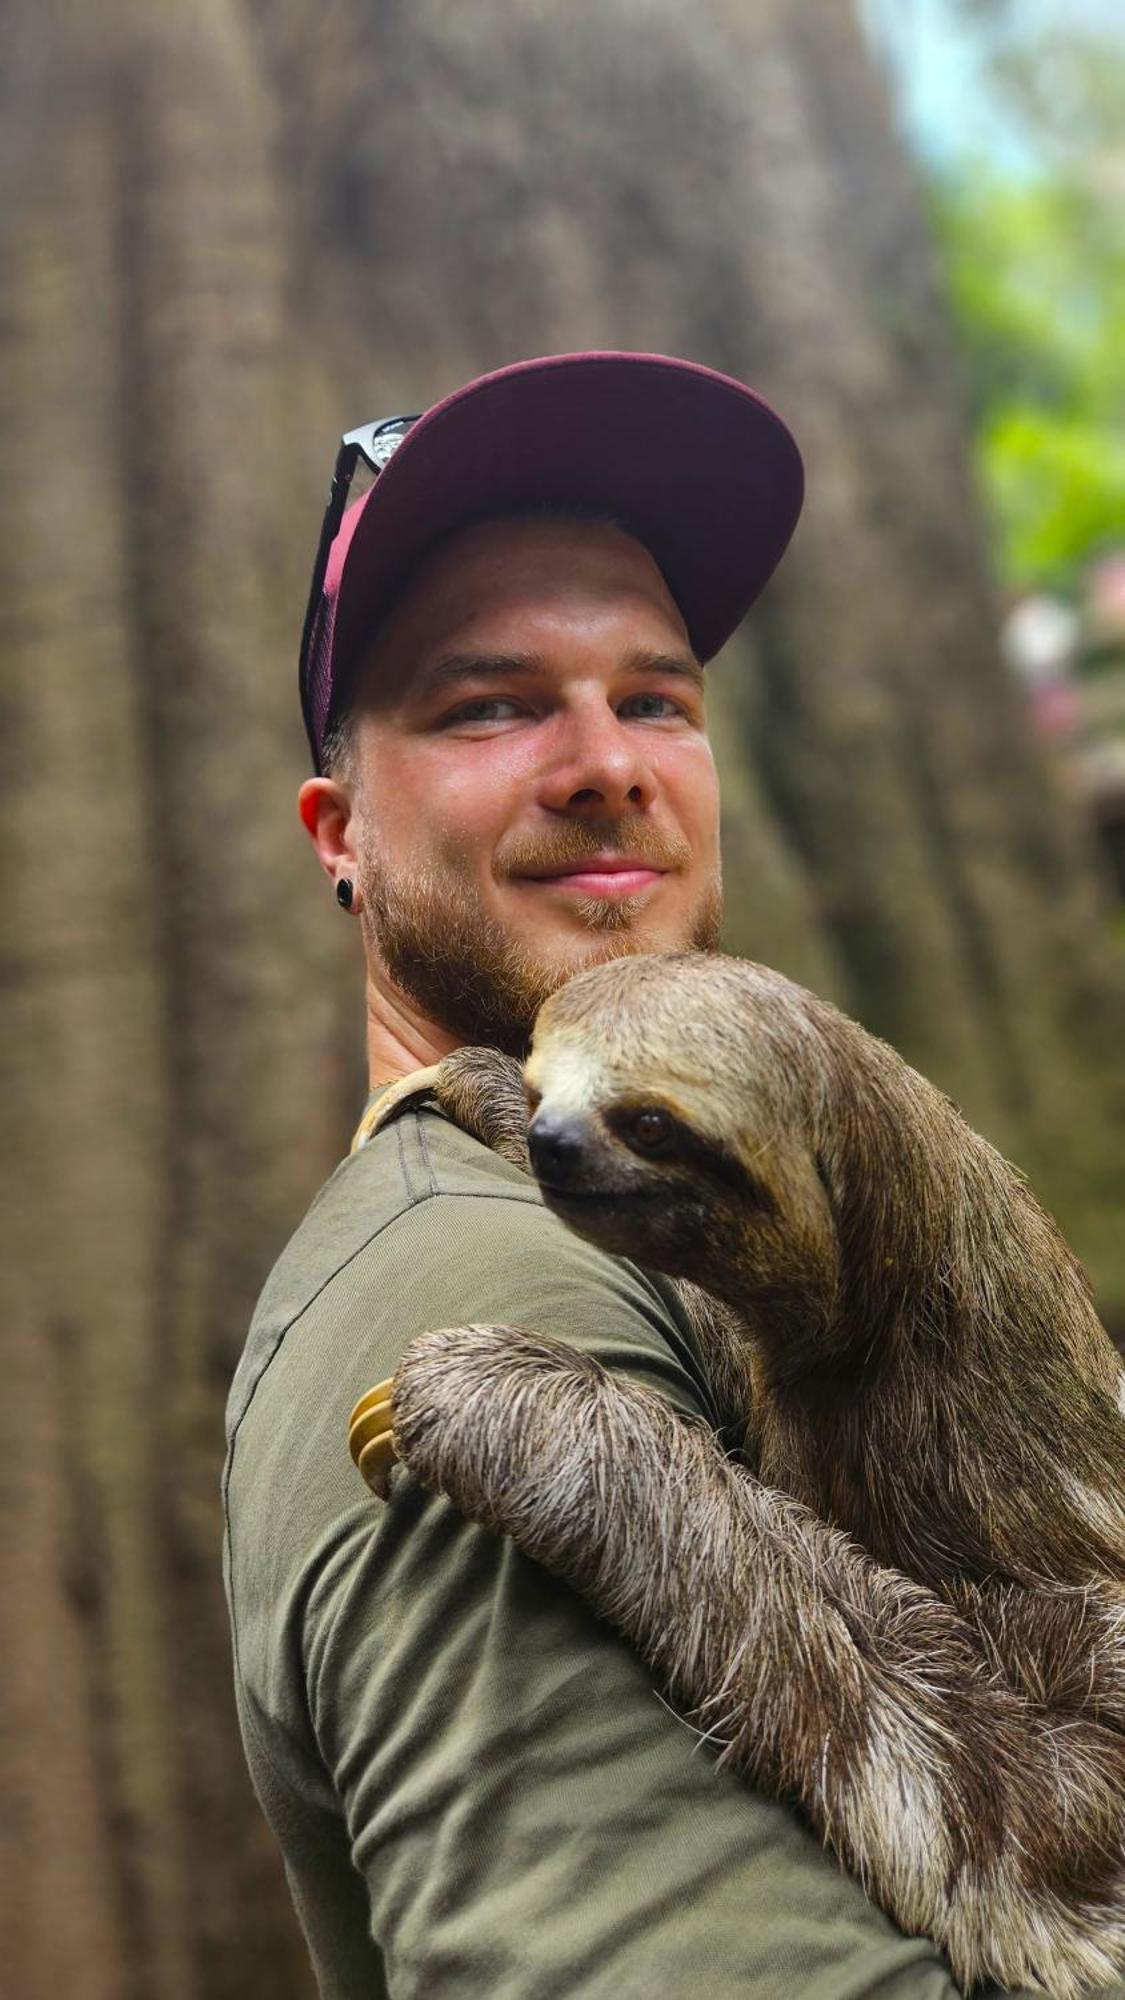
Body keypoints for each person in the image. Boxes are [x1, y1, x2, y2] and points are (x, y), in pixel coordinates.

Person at [222, 353, 1014, 1998]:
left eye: (654, 698)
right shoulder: (482, 1292)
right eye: (491, 704)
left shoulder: (766, 1247)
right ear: (336, 834)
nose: (606, 761)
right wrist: (611, 1462)